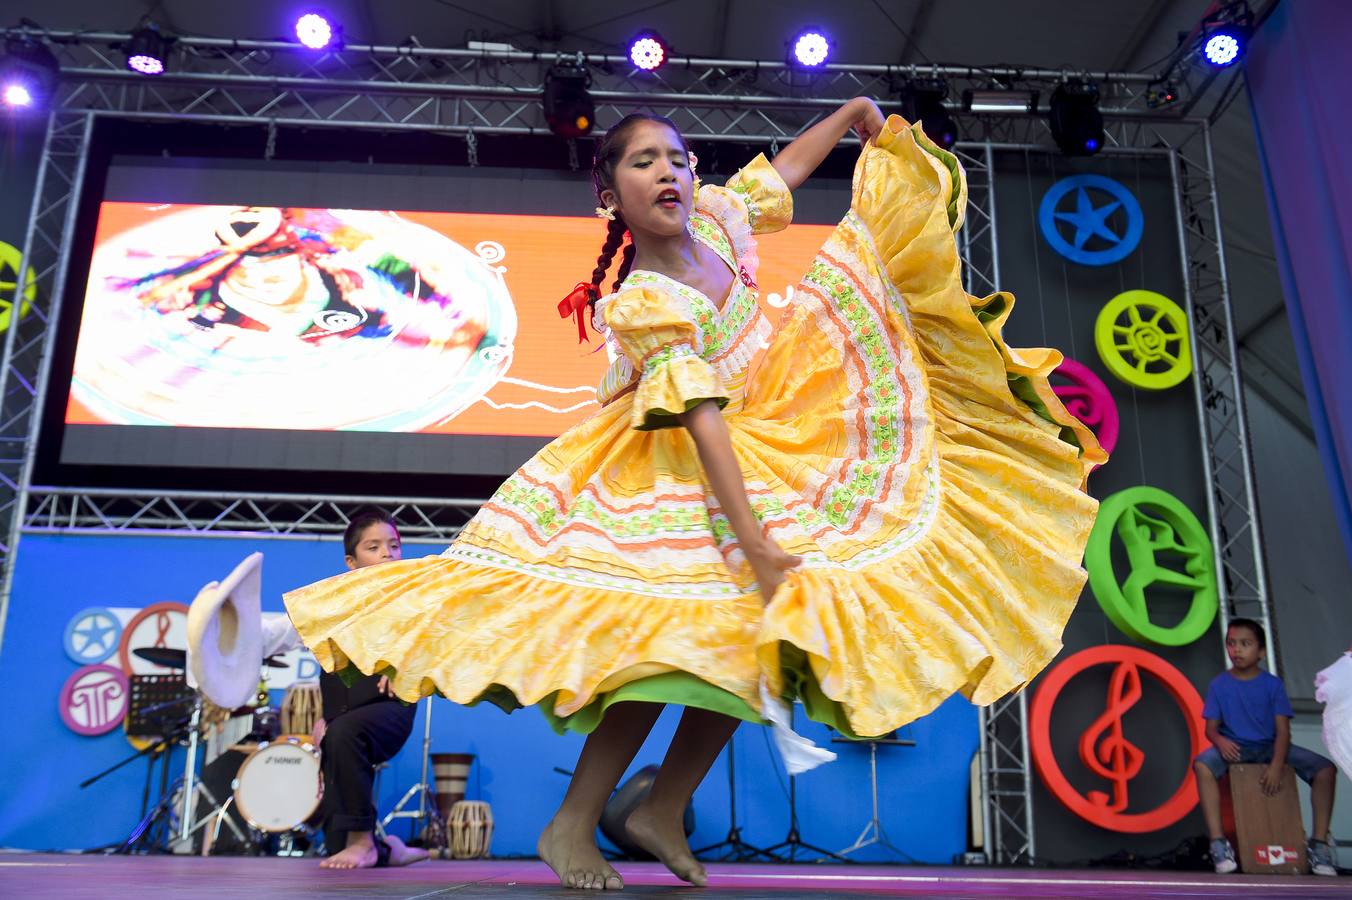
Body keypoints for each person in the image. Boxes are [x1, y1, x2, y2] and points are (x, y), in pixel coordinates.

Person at [286, 99, 1104, 890]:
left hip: (771, 437)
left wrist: (854, 112)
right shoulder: (646, 298)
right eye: (645, 162)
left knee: (760, 640)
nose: (669, 172)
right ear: (611, 195)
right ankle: (574, 818)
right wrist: (750, 537)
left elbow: (779, 173)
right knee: (661, 649)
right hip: (672, 468)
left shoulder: (717, 222)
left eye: (677, 157)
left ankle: (663, 807)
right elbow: (703, 415)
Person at [314, 508, 428, 870]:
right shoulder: (335, 607)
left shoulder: (411, 600)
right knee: (333, 841)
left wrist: (404, 668)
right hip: (344, 716)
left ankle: (363, 841)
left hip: (390, 707)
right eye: (374, 547)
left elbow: (434, 644)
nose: (386, 554)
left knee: (345, 733)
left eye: (393, 546)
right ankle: (390, 847)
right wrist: (323, 718)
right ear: (351, 560)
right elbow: (329, 668)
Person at [1194, 618, 1338, 876]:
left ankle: (1319, 845)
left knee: (1325, 770)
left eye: (1245, 644)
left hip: (1271, 748)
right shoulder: (1219, 684)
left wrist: (1276, 765)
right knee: (1202, 764)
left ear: (1260, 651)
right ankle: (1218, 844)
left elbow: (1283, 731)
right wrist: (1220, 740)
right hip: (1235, 749)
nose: (1236, 650)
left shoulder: (1273, 684)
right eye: (1231, 644)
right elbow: (1210, 729)